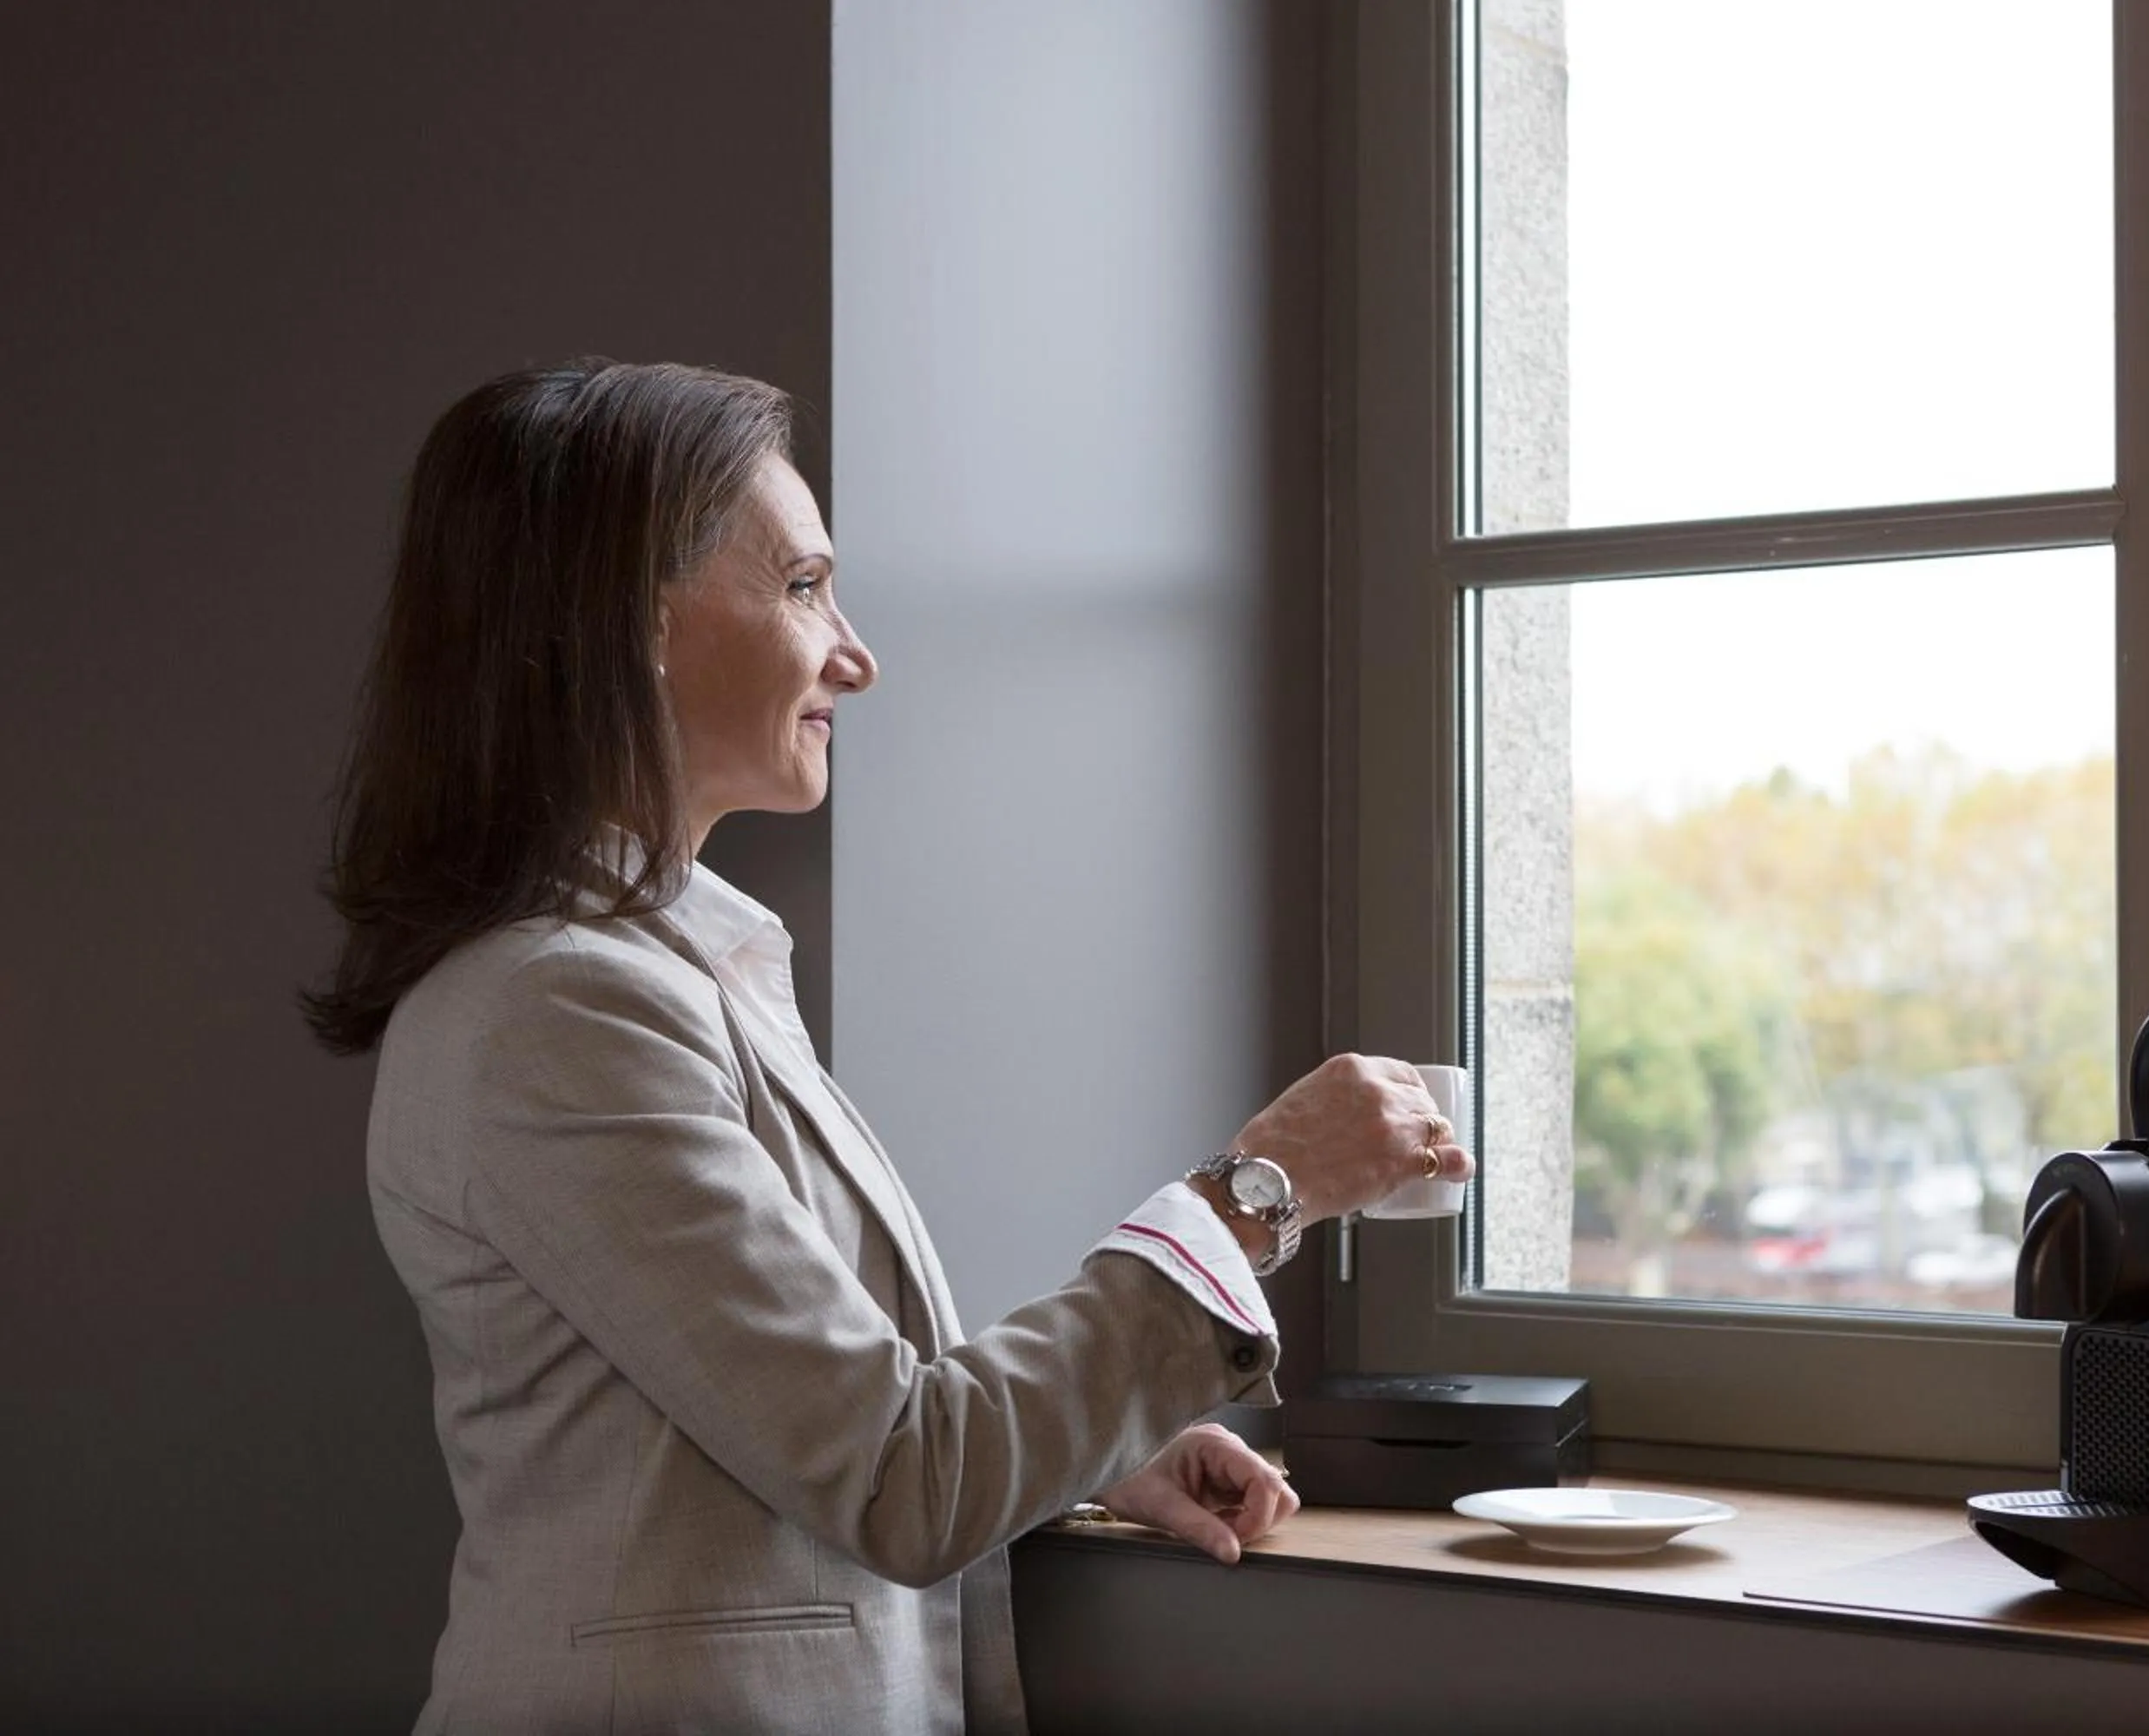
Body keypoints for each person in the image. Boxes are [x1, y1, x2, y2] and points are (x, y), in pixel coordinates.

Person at [303, 359, 1472, 1734]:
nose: (854, 653)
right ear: (630, 622)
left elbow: (813, 1422)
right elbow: (900, 1478)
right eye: (803, 586)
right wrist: (1258, 1193)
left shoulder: (670, 977)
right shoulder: (559, 1012)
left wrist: (1082, 1461)